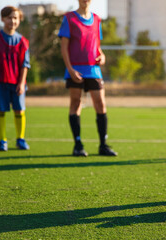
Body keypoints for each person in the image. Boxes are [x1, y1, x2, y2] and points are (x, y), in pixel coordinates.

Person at [59, 0, 117, 157]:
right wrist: (70, 69)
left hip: (93, 70)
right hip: (75, 69)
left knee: (101, 104)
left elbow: (97, 45)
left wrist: (102, 55)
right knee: (76, 104)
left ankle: (103, 145)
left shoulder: (97, 19)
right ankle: (78, 145)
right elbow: (64, 47)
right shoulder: (69, 18)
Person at [0, 6, 30, 151]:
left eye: (15, 18)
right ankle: (2, 141)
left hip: (17, 83)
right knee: (0, 111)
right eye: (9, 17)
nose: (12, 21)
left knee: (19, 111)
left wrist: (21, 83)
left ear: (19, 21)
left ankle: (20, 139)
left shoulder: (23, 41)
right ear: (3, 19)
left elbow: (25, 65)